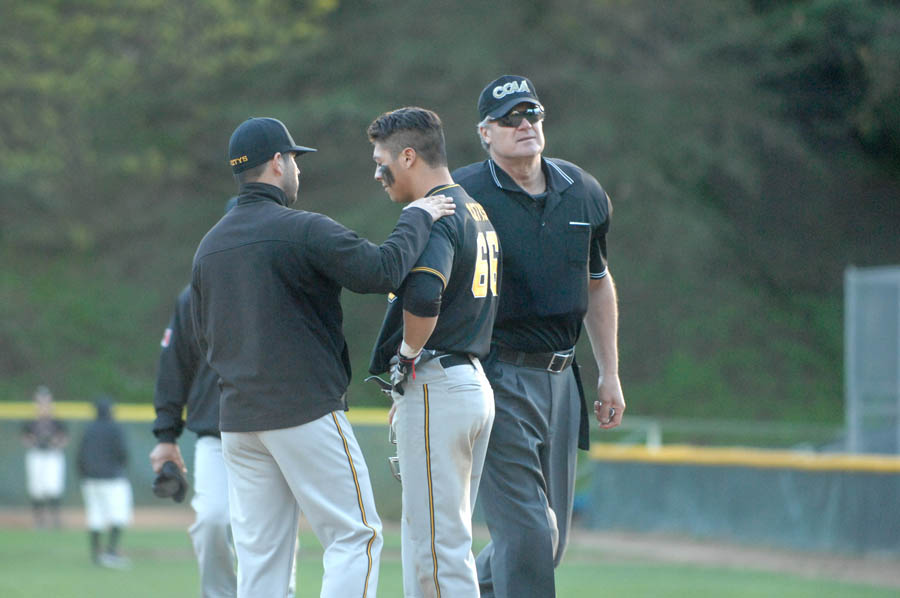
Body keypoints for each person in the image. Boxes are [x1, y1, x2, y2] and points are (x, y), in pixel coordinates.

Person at [190, 116, 455, 598]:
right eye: (294, 159)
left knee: (261, 561)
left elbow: (205, 341)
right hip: (304, 411)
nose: (299, 169)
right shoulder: (301, 229)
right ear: (277, 163)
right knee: (357, 536)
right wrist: (418, 216)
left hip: (238, 423)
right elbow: (382, 271)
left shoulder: (209, 247)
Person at [452, 75, 627, 598]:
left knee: (547, 541)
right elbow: (428, 288)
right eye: (509, 118)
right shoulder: (463, 195)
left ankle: (454, 590)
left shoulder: (583, 190)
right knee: (526, 534)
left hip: (562, 378)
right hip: (496, 374)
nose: (524, 124)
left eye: (532, 113)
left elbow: (597, 283)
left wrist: (610, 373)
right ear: (485, 133)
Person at [366, 107, 498, 598]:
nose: (377, 173)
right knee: (438, 544)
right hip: (470, 382)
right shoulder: (474, 209)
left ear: (408, 156)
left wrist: (405, 358)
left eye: (381, 161)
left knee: (437, 553)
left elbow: (424, 297)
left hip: (439, 384)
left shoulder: (435, 214)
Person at [77, 396, 133, 569]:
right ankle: (111, 552)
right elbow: (123, 453)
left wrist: (84, 475)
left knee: (95, 515)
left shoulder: (89, 429)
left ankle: (96, 555)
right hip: (113, 479)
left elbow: (80, 455)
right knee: (118, 515)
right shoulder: (115, 428)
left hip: (90, 479)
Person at [21, 385, 69, 529]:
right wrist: (31, 441)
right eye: (40, 402)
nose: (43, 405)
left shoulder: (56, 421)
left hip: (52, 456)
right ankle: (39, 521)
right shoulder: (31, 422)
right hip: (36, 455)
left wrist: (57, 442)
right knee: (36, 488)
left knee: (54, 487)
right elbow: (24, 438)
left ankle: (55, 519)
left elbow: (65, 438)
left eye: (46, 401)